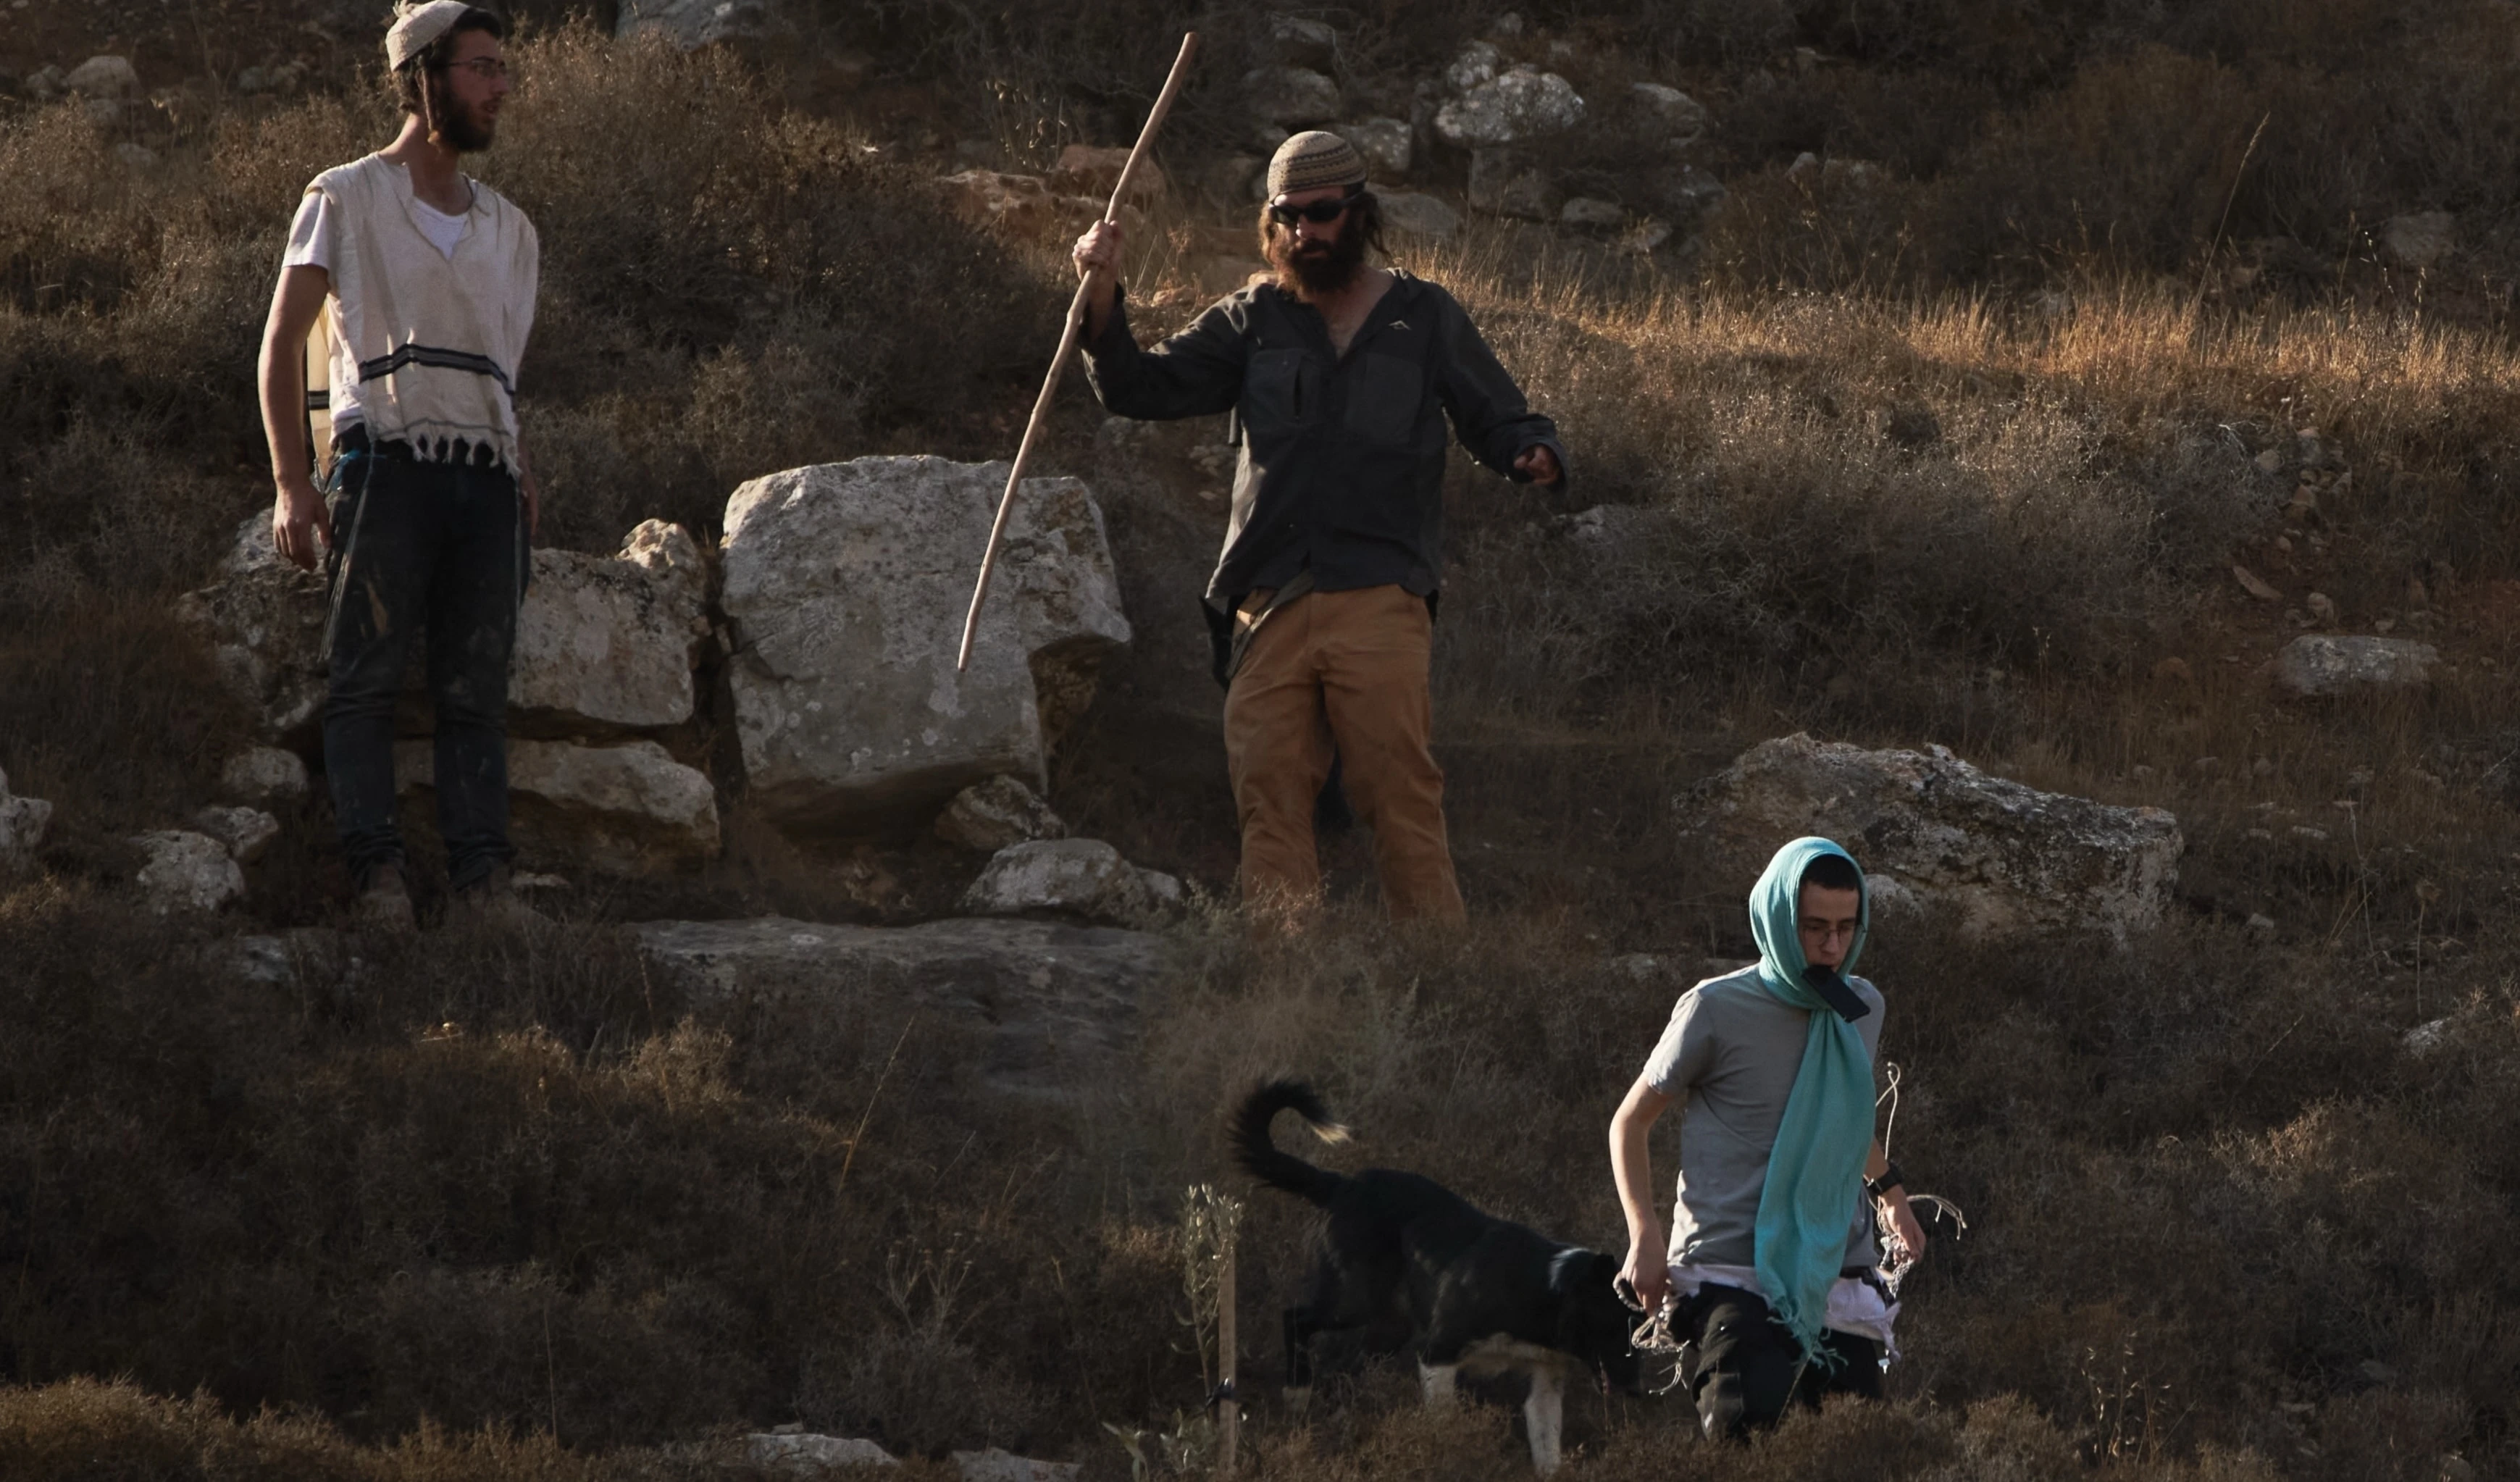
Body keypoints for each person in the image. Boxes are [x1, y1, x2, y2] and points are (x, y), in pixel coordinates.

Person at [1073, 130, 1567, 924]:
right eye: (1288, 216)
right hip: (1266, 601)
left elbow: (1498, 414)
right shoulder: (1252, 318)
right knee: (1266, 792)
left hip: (1379, 591)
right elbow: (1138, 387)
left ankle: (1443, 978)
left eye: (1322, 213)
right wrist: (1099, 293)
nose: (1306, 231)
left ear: (1357, 213)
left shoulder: (1422, 316)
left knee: (1396, 791)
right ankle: (1280, 986)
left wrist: (1531, 452)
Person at [256, 1, 540, 931]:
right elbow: (282, 343)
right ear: (425, 79)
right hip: (385, 465)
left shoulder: (512, 230)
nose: (501, 88)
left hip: (485, 481)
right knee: (364, 681)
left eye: (502, 70)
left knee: (475, 692)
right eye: (482, 69)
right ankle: (377, 879)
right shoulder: (344, 197)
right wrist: (294, 482)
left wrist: (518, 469)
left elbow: (504, 368)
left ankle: (483, 889)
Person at [1607, 837, 1928, 1439]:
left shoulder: (1860, 1005)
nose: (1831, 947)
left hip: (1833, 1265)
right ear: (1778, 918)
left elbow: (1841, 1119)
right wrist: (1644, 1236)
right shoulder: (1714, 1009)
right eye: (1813, 928)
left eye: (1844, 927)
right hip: (1729, 1264)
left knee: (1856, 1444)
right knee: (1747, 1424)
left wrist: (1891, 1195)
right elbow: (1629, 1122)